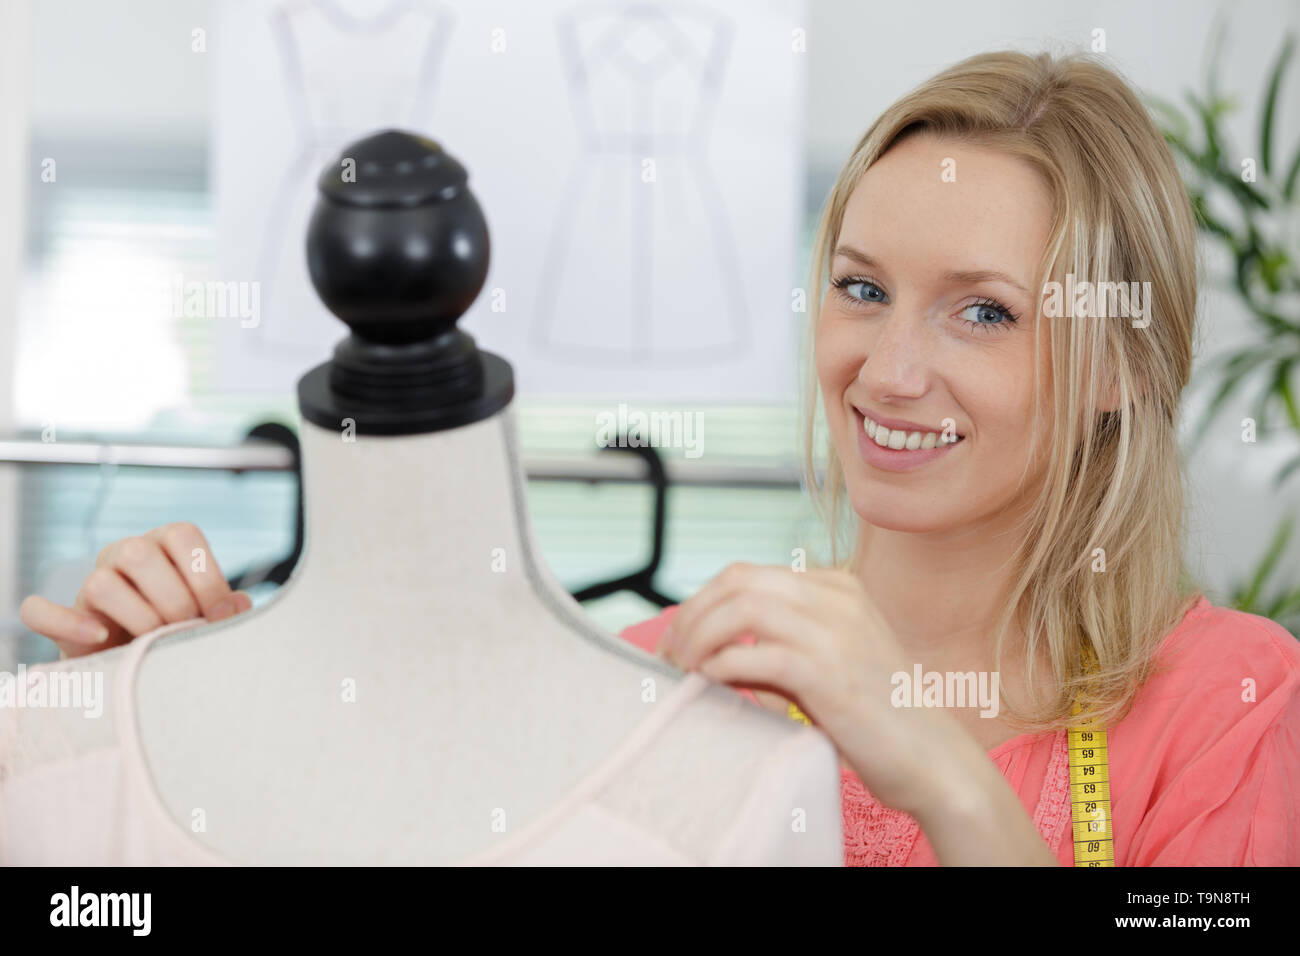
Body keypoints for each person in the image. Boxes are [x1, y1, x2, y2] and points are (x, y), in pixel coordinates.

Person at [20, 50, 1300, 866]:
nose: (890, 368)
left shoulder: (1237, 710)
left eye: (983, 311)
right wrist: (232, 716)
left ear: (1121, 371)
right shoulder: (660, 677)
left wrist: (936, 764)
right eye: (861, 287)